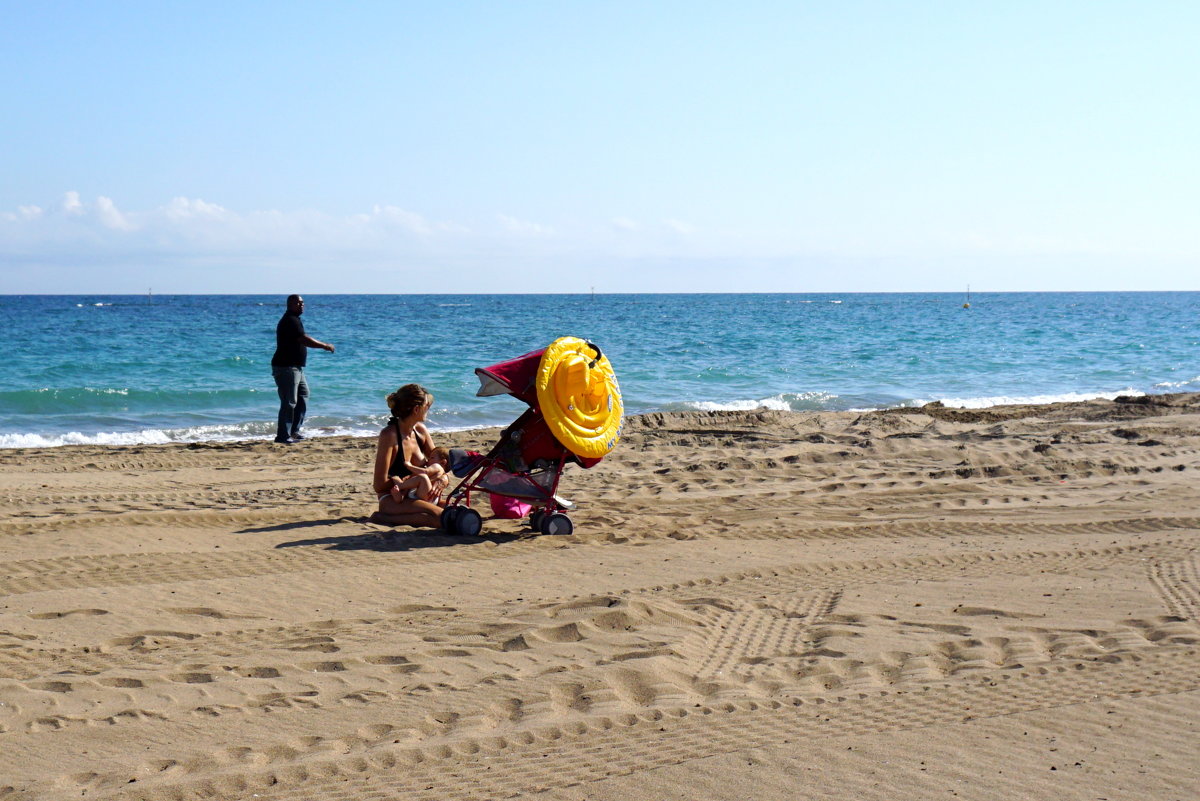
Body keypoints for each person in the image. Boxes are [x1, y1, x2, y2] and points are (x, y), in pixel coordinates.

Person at [371, 384, 447, 528]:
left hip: (418, 495)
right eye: (427, 405)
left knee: (455, 509)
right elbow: (379, 485)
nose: (429, 408)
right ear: (416, 409)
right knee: (440, 518)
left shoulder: (420, 431)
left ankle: (387, 518)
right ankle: (382, 517)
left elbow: (441, 463)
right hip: (393, 499)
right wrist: (413, 480)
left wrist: (443, 479)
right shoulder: (390, 435)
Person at [271, 295, 334, 444]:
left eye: (302, 302)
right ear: (289, 304)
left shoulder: (295, 319)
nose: (301, 305)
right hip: (286, 367)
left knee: (303, 395)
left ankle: (293, 431)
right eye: (297, 303)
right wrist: (324, 346)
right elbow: (303, 339)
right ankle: (283, 436)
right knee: (289, 401)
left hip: (296, 367)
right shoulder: (290, 320)